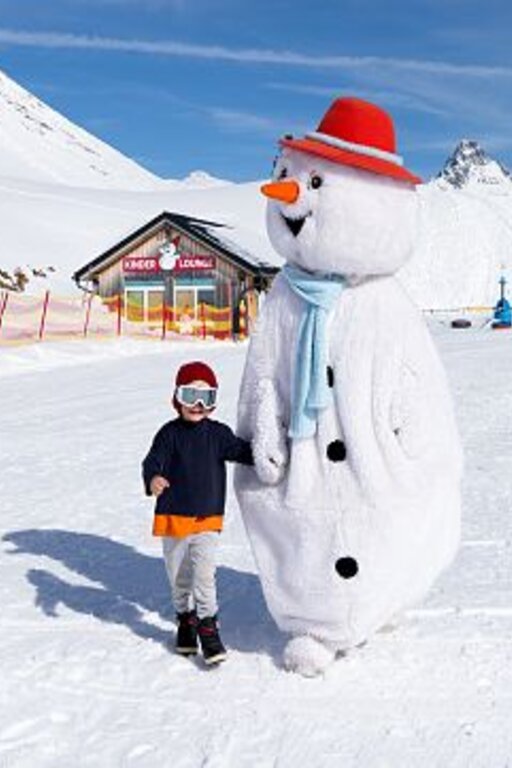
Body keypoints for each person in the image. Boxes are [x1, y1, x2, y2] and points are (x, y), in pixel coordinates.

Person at [142, 360, 253, 665]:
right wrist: (153, 478)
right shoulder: (169, 434)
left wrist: (269, 454)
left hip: (207, 518)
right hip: (175, 518)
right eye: (190, 396)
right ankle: (185, 622)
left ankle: (208, 627)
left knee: (204, 575)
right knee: (179, 576)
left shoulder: (218, 435)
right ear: (177, 399)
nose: (199, 405)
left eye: (207, 397)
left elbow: (242, 451)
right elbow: (152, 461)